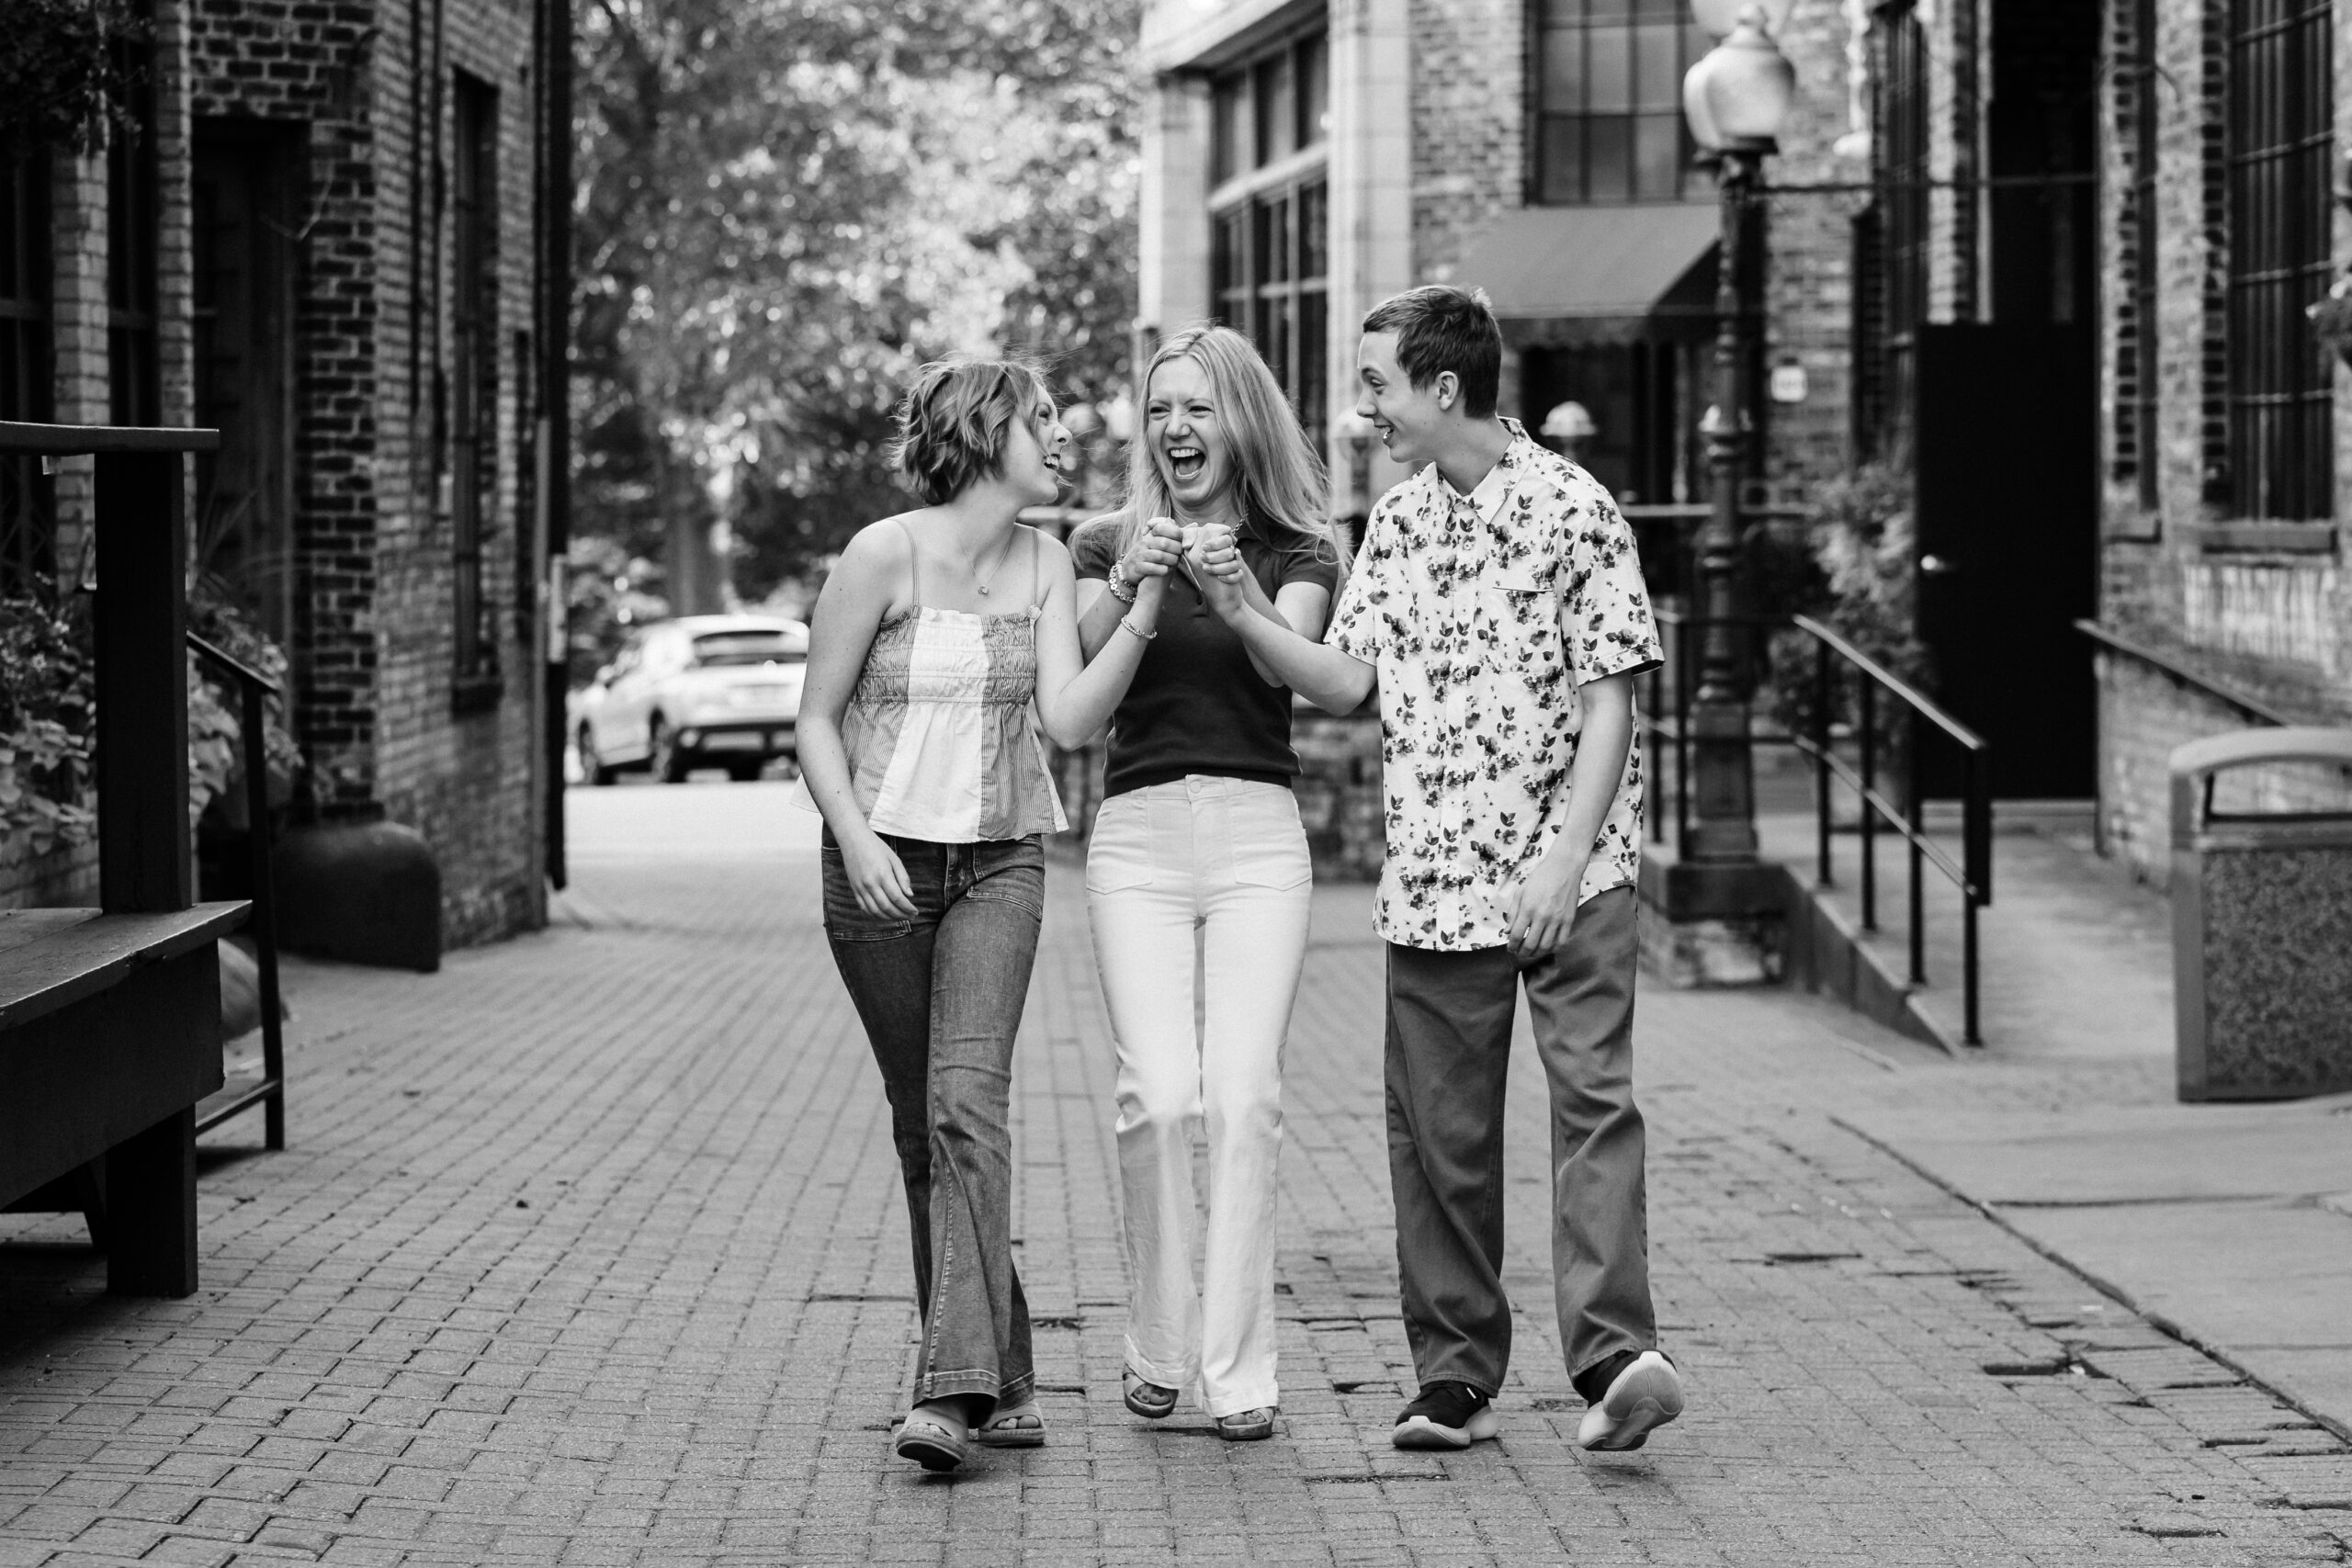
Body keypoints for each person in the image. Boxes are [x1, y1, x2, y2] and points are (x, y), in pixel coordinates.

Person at [1192, 286, 1687, 1453]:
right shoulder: (1398, 525)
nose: (1362, 412)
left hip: (1574, 869)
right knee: (1439, 1140)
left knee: (1592, 1112)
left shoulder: (1576, 509)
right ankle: (1455, 1376)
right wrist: (1241, 605)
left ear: (1443, 387)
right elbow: (1344, 684)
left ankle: (1618, 1361)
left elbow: (1610, 700)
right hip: (1432, 879)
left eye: (1376, 387)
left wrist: (1565, 859)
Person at [795, 355, 1177, 1473]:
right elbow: (815, 722)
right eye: (1044, 416)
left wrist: (1142, 604)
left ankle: (948, 1393)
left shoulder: (1050, 561)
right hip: (877, 868)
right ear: (983, 432)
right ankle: (1005, 1369)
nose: (1065, 432)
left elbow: (1067, 721)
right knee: (923, 1130)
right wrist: (859, 840)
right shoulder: (883, 554)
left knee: (966, 1105)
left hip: (1001, 862)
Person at [1067, 325, 1341, 1443]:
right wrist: (1135, 581)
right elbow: (1071, 690)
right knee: (1158, 1095)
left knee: (1242, 1097)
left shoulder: (1299, 547)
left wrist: (1236, 600)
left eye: (1200, 408)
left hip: (1255, 840)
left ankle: (1238, 1372)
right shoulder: (1098, 540)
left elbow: (1307, 670)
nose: (1178, 429)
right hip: (1134, 835)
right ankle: (1156, 1344)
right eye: (1162, 408)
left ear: (1242, 420)